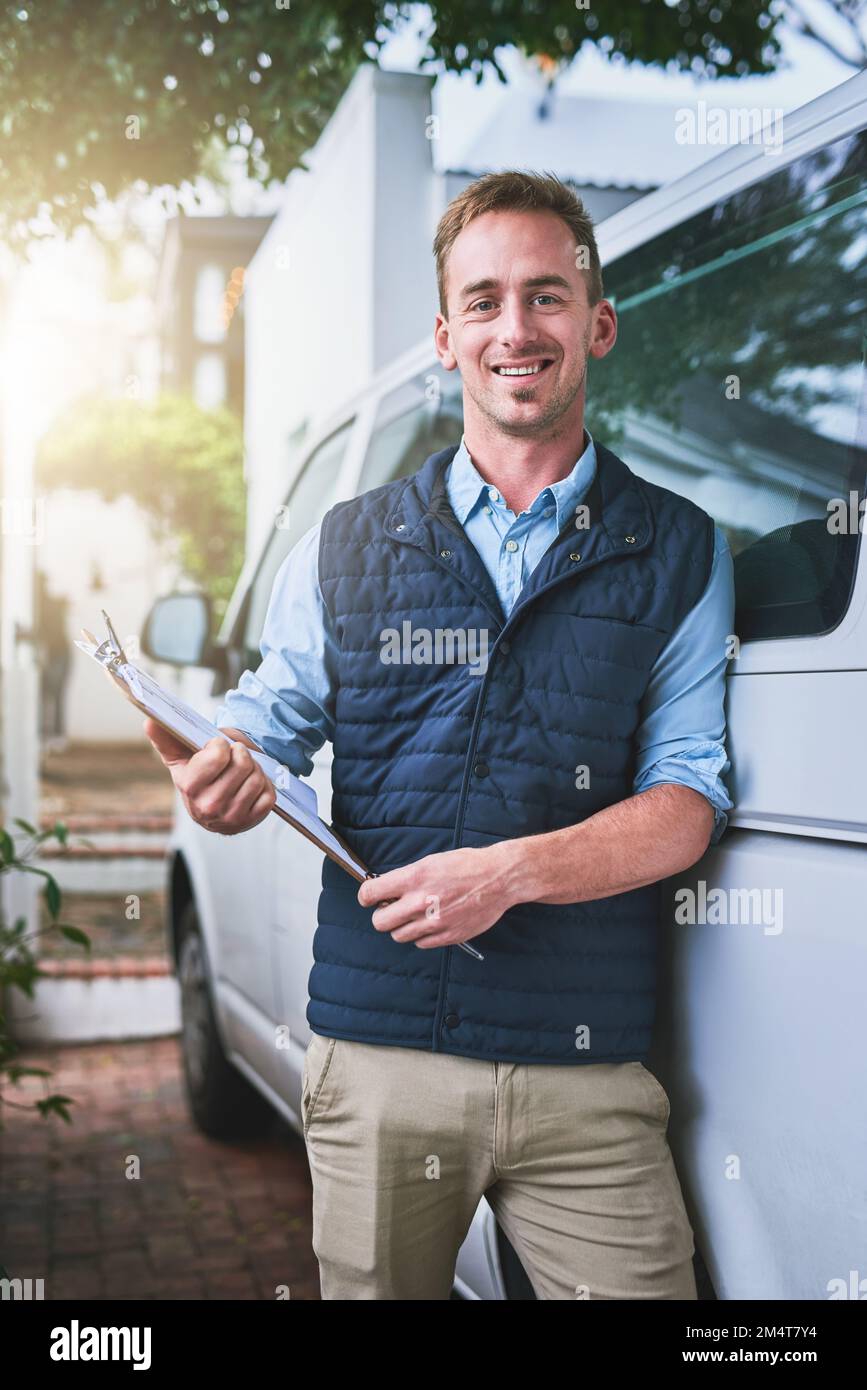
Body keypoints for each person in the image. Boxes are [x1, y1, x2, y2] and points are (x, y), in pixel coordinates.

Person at [145, 170, 734, 1301]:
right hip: (381, 1064)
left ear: (598, 324)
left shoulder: (682, 548)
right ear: (445, 335)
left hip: (586, 1073)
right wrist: (228, 766)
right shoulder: (345, 543)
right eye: (484, 300)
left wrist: (508, 874)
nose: (516, 328)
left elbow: (688, 799)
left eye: (548, 296)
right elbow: (270, 718)